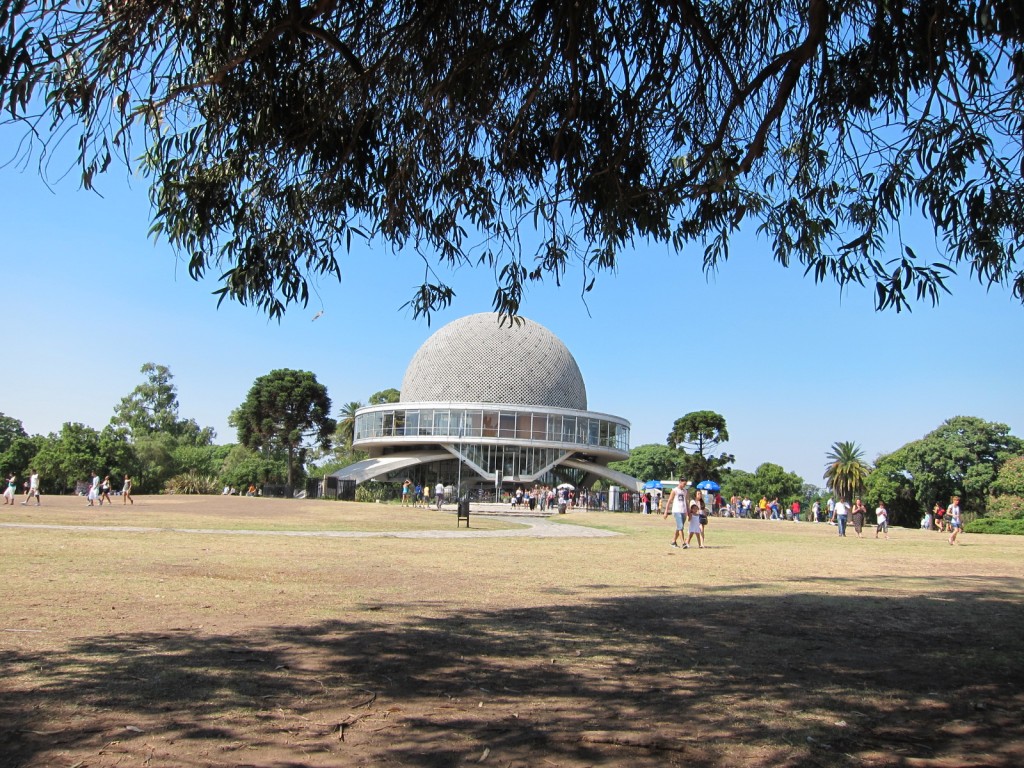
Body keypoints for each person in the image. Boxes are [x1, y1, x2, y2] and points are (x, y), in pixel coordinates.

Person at [662, 478, 689, 548]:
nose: (684, 485)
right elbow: (669, 501)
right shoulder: (674, 490)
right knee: (681, 527)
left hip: (683, 511)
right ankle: (683, 543)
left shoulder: (685, 491)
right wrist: (666, 512)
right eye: (684, 484)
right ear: (680, 482)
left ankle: (673, 541)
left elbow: (686, 502)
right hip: (677, 511)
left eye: (685, 484)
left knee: (679, 527)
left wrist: (688, 512)